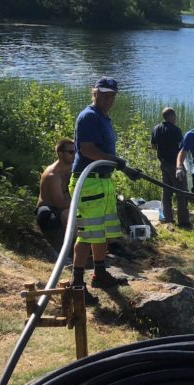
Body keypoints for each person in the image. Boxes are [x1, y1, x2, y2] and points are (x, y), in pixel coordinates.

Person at [69, 77, 133, 299]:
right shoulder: (89, 117)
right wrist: (118, 162)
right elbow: (87, 149)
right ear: (94, 93)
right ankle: (76, 283)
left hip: (102, 180)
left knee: (103, 232)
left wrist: (120, 166)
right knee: (88, 234)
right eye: (104, 94)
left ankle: (99, 273)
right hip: (89, 182)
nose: (108, 99)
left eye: (112, 95)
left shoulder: (104, 117)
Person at [150, 107, 190, 228]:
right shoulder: (175, 130)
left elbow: (153, 145)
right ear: (171, 116)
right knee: (181, 192)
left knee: (166, 191)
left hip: (163, 163)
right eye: (175, 116)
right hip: (175, 164)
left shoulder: (157, 128)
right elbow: (182, 148)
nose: (176, 118)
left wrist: (162, 150)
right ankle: (183, 221)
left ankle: (168, 218)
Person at [35, 138, 74, 250]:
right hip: (48, 212)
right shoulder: (54, 175)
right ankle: (71, 251)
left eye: (76, 152)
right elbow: (60, 203)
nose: (74, 155)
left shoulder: (71, 169)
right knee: (69, 214)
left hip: (64, 207)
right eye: (70, 152)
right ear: (60, 153)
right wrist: (81, 206)